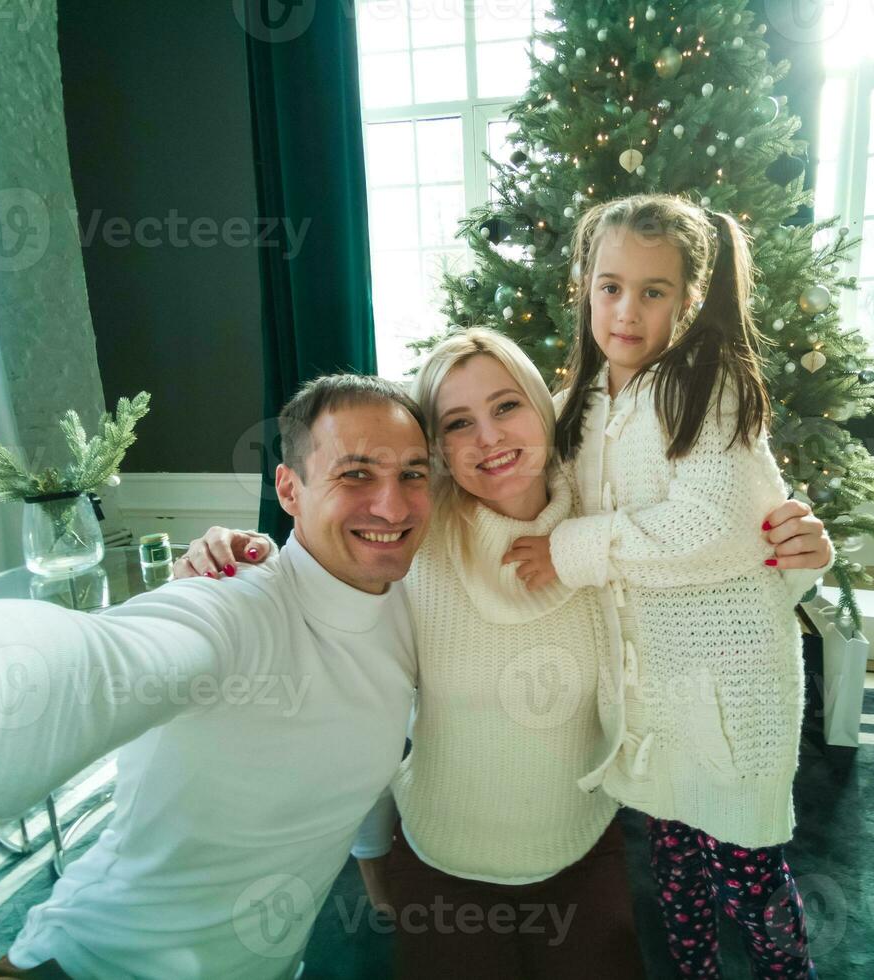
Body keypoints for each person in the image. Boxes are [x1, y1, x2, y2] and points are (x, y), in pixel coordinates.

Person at [180, 329, 834, 978]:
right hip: (442, 858)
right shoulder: (415, 531)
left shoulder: (607, 518)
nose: (488, 438)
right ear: (436, 447)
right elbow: (321, 577)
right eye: (457, 423)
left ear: (541, 404)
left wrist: (798, 559)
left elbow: (711, 571)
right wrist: (241, 560)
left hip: (582, 848)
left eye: (505, 407)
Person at [0, 375, 432, 980]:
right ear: (289, 489)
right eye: (355, 474)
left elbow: (360, 762)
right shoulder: (236, 603)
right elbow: (95, 665)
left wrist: (377, 883)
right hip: (99, 962)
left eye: (412, 473)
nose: (393, 505)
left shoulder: (406, 606)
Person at [505, 193, 830, 979]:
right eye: (610, 286)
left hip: (729, 692)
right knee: (674, 866)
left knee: (747, 876)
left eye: (653, 292)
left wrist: (570, 550)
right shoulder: (581, 404)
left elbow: (712, 531)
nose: (626, 310)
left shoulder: (706, 390)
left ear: (687, 302)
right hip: (649, 697)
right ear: (585, 287)